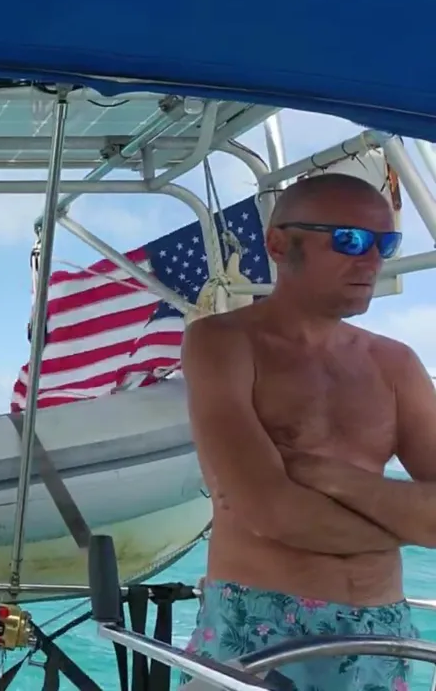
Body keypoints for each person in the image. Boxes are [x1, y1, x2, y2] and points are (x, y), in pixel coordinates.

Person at [178, 172, 436, 691]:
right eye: (349, 240)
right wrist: (415, 525)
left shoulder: (395, 364)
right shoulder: (222, 344)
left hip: (384, 631)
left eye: (386, 243)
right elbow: (271, 511)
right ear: (278, 244)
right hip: (258, 624)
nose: (372, 260)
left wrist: (333, 478)